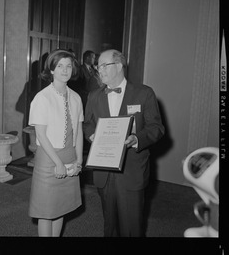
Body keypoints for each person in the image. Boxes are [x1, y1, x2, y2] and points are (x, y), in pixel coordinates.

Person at [83, 49, 165, 237]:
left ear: (119, 66)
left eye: (104, 65)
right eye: (97, 66)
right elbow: (87, 124)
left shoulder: (144, 93)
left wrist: (137, 139)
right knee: (109, 226)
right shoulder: (94, 96)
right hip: (104, 170)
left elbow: (156, 128)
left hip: (132, 170)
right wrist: (93, 136)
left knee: (131, 228)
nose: (99, 70)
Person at [28, 49, 83, 237]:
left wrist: (78, 161)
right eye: (60, 66)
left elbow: (79, 131)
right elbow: (41, 135)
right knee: (46, 211)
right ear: (51, 70)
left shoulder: (76, 97)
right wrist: (59, 163)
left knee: (61, 208)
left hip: (70, 156)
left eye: (68, 66)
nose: (65, 70)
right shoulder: (42, 98)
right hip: (49, 158)